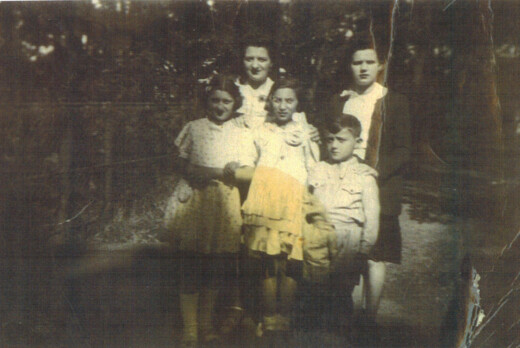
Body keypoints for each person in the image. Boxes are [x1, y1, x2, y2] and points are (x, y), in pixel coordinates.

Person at [164, 75, 256, 347]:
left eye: (226, 101)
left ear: (235, 104)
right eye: (215, 100)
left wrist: (236, 171)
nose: (220, 106)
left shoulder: (243, 132)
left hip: (225, 204)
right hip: (196, 202)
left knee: (215, 266)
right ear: (207, 101)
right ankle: (190, 329)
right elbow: (183, 166)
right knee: (191, 264)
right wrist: (218, 171)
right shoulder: (194, 128)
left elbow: (248, 172)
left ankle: (205, 325)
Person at [328, 37, 411, 326]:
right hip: (346, 184)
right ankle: (350, 314)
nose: (363, 68)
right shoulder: (341, 101)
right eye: (357, 62)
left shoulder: (393, 101)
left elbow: (403, 149)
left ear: (380, 65)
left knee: (376, 254)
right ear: (350, 66)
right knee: (352, 251)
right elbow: (331, 138)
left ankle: (369, 318)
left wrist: (378, 170)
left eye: (369, 62)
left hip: (380, 185)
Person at [232, 77, 318, 341]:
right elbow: (247, 164)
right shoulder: (260, 130)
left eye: (289, 100)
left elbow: (313, 170)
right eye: (277, 99)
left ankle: (285, 319)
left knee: (290, 263)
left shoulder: (305, 132)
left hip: (293, 203)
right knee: (269, 263)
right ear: (270, 101)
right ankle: (269, 319)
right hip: (266, 201)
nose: (282, 106)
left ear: (298, 103)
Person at [308, 114, 380, 336]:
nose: (334, 145)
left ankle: (341, 334)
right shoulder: (318, 168)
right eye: (329, 140)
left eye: (341, 140)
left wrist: (364, 248)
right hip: (318, 238)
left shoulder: (364, 176)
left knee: (342, 292)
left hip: (348, 240)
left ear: (357, 143)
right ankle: (316, 334)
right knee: (316, 290)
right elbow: (307, 203)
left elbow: (372, 216)